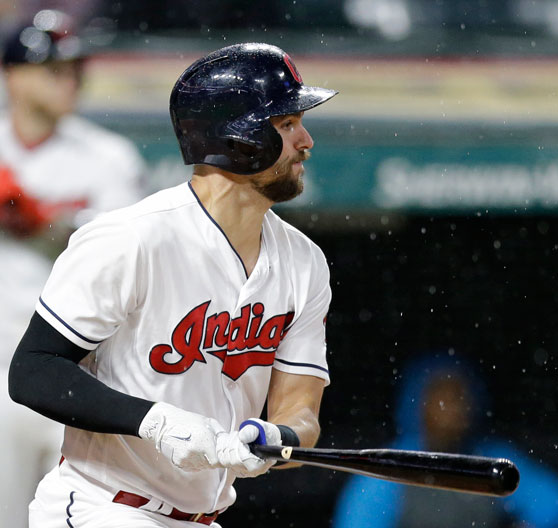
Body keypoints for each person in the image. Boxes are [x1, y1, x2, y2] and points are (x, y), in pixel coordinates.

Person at [8, 42, 337, 527]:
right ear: (238, 138)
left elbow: (301, 411)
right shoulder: (132, 237)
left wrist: (274, 436)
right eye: (286, 125)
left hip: (203, 516)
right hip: (106, 506)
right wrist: (155, 421)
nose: (306, 140)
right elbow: (33, 370)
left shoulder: (305, 262)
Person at [0, 10, 144, 526]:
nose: (70, 79)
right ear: (12, 74)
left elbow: (119, 258)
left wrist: (40, 218)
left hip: (81, 370)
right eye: (53, 69)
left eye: (75, 68)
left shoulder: (108, 157)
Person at [333, 351, 558, 528]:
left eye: (461, 398)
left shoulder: (490, 459)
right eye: (443, 401)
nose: (456, 410)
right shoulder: (389, 468)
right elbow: (356, 521)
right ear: (418, 405)